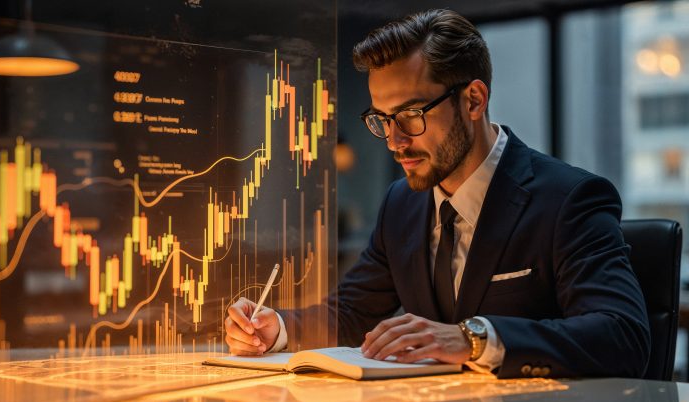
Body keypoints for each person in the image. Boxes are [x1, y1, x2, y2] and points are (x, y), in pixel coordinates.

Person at [225, 9, 650, 378]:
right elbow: (351, 312)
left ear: (474, 100)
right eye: (382, 119)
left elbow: (623, 335)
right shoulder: (401, 204)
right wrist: (276, 328)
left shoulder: (569, 198)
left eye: (411, 115)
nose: (394, 141)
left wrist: (474, 339)